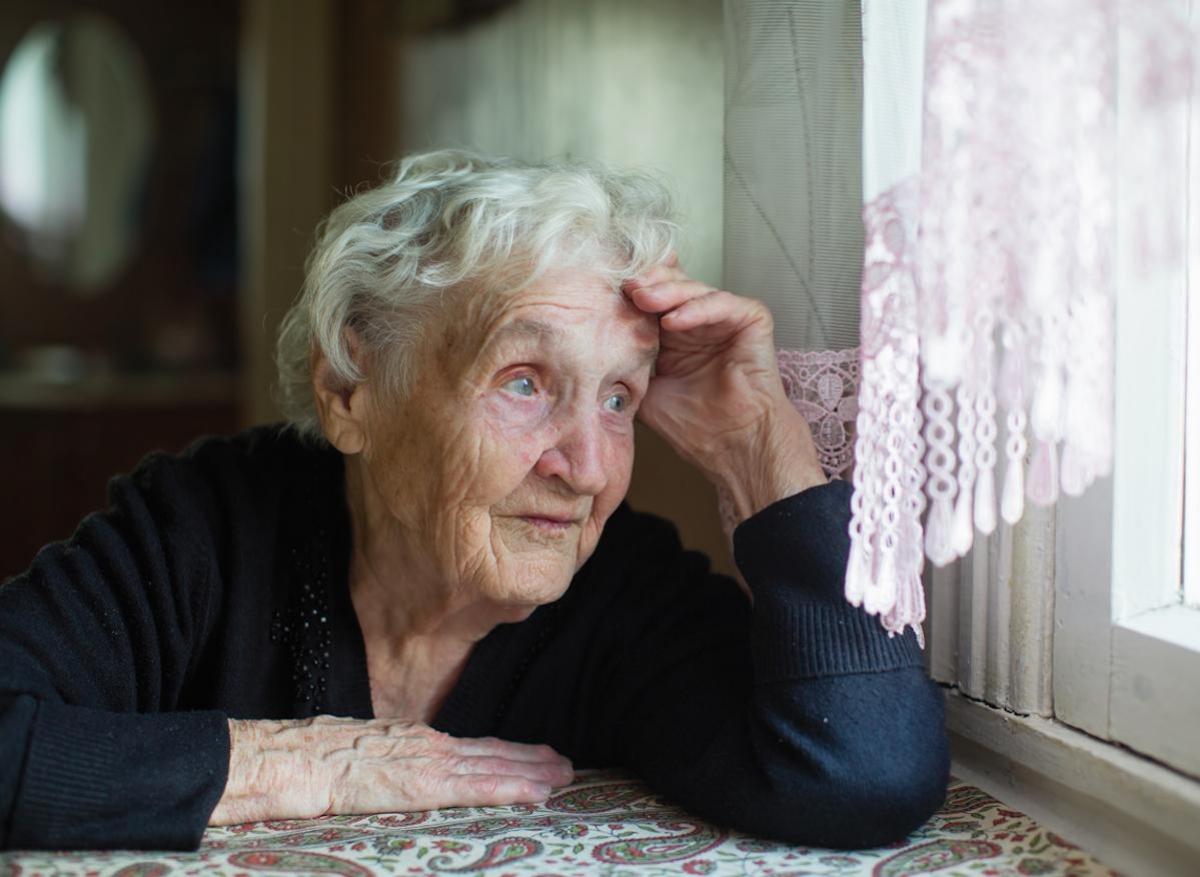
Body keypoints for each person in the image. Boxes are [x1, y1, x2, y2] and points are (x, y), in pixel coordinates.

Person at [0, 150, 948, 852]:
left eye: (618, 397)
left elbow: (862, 771)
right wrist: (304, 761)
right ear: (349, 393)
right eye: (526, 381)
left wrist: (759, 449)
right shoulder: (204, 530)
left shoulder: (620, 595)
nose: (583, 467)